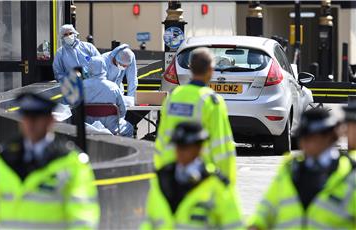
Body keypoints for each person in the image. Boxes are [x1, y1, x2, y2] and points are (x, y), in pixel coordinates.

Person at [0, 92, 100, 229]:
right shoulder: (3, 158)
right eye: (26, 118)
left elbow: (82, 219)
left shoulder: (72, 163)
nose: (30, 124)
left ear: (50, 120)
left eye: (36, 118)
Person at [248, 108, 356, 230]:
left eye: (310, 137)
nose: (303, 142)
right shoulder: (289, 170)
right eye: (302, 137)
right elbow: (265, 211)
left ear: (329, 136)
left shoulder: (350, 174)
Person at [155, 47, 236, 184]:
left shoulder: (173, 97)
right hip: (200, 175)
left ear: (190, 69)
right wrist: (226, 180)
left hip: (169, 171)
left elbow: (161, 137)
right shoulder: (212, 102)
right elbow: (222, 147)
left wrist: (159, 171)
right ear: (211, 70)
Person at [141, 121, 243, 229]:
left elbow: (234, 225)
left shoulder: (217, 185)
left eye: (185, 147)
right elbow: (149, 221)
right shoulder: (160, 179)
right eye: (178, 146)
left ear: (199, 148)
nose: (180, 152)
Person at [83, 56, 133, 137]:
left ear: (89, 67)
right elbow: (123, 110)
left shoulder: (81, 86)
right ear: (104, 67)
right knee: (129, 128)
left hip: (88, 129)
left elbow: (76, 107)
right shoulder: (113, 87)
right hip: (112, 129)